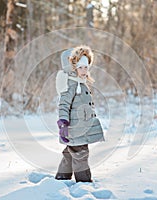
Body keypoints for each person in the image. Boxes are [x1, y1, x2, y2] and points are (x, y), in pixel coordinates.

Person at [55, 45, 104, 182]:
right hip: (75, 128)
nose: (84, 70)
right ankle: (84, 182)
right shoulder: (70, 84)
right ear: (73, 67)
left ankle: (62, 177)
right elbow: (64, 104)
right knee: (81, 153)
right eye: (80, 67)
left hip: (81, 127)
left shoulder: (81, 83)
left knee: (70, 153)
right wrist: (63, 123)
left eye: (86, 67)